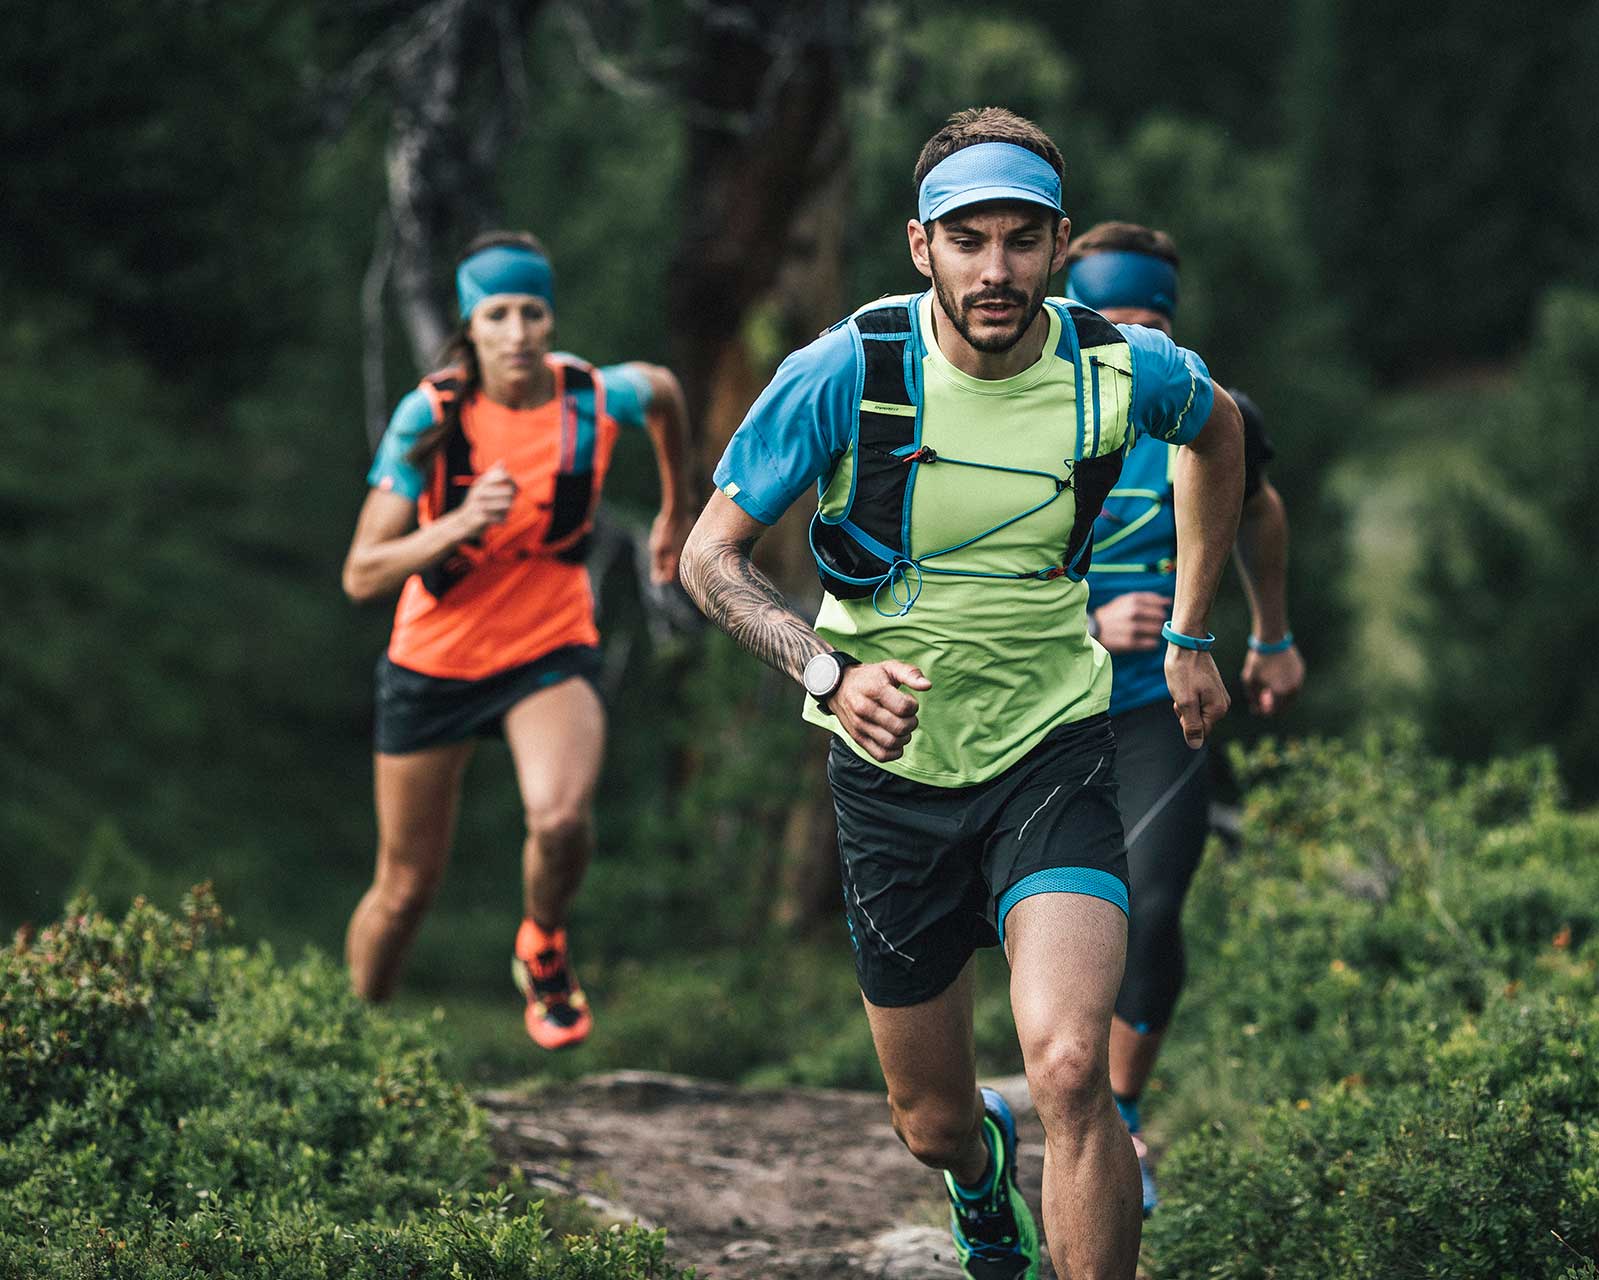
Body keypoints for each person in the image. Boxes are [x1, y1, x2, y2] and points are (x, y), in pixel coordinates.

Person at [680, 108, 1245, 1280]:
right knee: (931, 1117)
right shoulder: (848, 368)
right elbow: (707, 557)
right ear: (919, 244)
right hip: (891, 775)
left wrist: (1193, 628)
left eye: (1023, 239)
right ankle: (981, 1176)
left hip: (1054, 748)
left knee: (1073, 1065)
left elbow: (1221, 428)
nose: (997, 269)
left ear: (1059, 240)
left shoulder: (1117, 365)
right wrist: (828, 670)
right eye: (968, 238)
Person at [340, 231, 696, 1050]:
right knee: (403, 889)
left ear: (549, 316)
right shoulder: (430, 416)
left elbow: (667, 391)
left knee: (562, 818)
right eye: (497, 314)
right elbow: (363, 573)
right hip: (434, 662)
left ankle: (542, 945)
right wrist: (460, 521)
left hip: (546, 646)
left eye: (532, 311)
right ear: (473, 325)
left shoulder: (593, 399)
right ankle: (353, 1046)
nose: (518, 331)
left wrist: (679, 509)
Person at [1064, 222, 1307, 1213]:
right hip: (1040, 714)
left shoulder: (1209, 414)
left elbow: (1260, 510)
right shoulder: (1019, 414)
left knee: (1153, 909)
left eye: (1150, 319)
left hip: (1158, 710)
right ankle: (1048, 1096)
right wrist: (1089, 617)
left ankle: (1118, 1109)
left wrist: (1272, 633)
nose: (1130, 336)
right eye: (1109, 319)